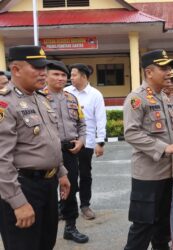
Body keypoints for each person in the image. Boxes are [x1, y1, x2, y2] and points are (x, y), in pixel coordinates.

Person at [0, 45, 70, 250]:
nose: (43, 73)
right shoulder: (6, 104)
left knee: (45, 243)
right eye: (37, 68)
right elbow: (2, 160)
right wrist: (18, 202)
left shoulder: (40, 99)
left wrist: (62, 172)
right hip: (23, 186)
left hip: (48, 186)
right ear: (15, 70)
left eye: (44, 68)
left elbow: (50, 140)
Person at [123, 49, 173, 250]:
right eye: (164, 68)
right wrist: (164, 147)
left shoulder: (165, 97)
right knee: (143, 227)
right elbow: (131, 133)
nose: (169, 72)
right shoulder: (137, 98)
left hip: (169, 172)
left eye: (170, 68)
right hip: (149, 176)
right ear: (149, 72)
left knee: (163, 227)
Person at [44, 60, 89, 243]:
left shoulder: (72, 98)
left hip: (70, 151)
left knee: (70, 189)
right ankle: (45, 231)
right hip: (46, 152)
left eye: (64, 75)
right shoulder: (39, 97)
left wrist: (82, 140)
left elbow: (82, 124)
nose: (61, 78)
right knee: (46, 192)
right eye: (55, 74)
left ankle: (70, 227)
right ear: (46, 76)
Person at [65, 63, 107, 220]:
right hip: (68, 141)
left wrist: (100, 142)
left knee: (85, 174)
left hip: (87, 142)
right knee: (67, 175)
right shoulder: (66, 92)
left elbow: (100, 119)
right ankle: (66, 206)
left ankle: (85, 205)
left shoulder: (95, 95)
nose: (71, 78)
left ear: (83, 76)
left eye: (74, 75)